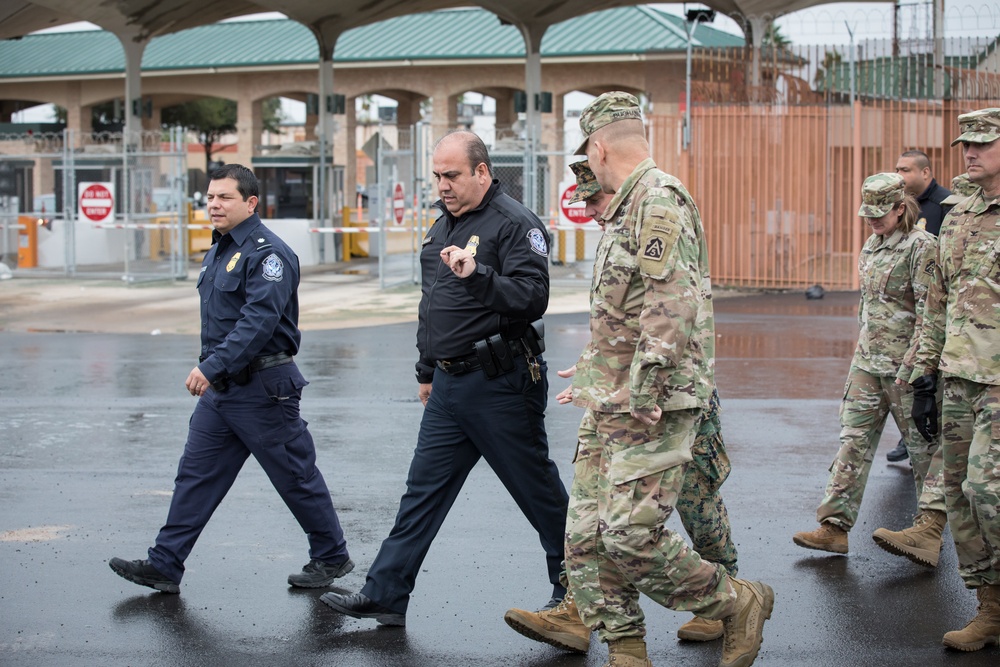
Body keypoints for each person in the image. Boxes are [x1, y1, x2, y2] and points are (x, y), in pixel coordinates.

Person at [499, 92, 773, 667]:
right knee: (587, 536)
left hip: (654, 400)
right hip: (615, 397)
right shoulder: (627, 208)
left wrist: (643, 390)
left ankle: (735, 600)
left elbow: (672, 305)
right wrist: (598, 371)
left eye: (588, 156)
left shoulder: (658, 200)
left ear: (599, 147)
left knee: (630, 535)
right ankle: (626, 647)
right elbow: (628, 311)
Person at [319, 131, 569, 626]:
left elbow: (532, 298)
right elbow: (432, 305)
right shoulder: (441, 227)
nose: (443, 185)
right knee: (422, 491)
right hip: (450, 386)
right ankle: (386, 592)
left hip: (500, 383)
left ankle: (578, 590)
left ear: (482, 172)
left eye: (451, 175)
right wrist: (427, 368)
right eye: (437, 176)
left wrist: (477, 274)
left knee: (537, 492)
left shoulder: (515, 224)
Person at [109, 164, 352, 593]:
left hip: (263, 387)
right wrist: (216, 368)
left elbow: (258, 321)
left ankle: (331, 556)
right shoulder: (221, 249)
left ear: (251, 202)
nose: (214, 205)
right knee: (196, 475)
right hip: (224, 390)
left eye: (224, 197)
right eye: (209, 198)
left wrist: (210, 366)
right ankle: (165, 564)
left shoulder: (268, 254)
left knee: (294, 476)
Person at [792, 173, 946, 566]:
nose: (873, 221)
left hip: (906, 368)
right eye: (868, 214)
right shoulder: (872, 245)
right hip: (867, 363)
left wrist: (920, 368)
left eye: (881, 213)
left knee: (924, 449)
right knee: (852, 441)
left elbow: (931, 314)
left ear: (900, 207)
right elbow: (870, 309)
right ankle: (834, 528)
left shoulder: (921, 247)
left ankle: (929, 531)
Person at [910, 108, 1000, 652]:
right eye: (966, 144)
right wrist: (925, 376)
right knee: (959, 499)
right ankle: (989, 607)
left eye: (983, 144)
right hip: (959, 376)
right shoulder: (959, 212)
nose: (969, 153)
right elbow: (937, 300)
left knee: (987, 491)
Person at [885, 150, 952, 463]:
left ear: (926, 173)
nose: (899, 174)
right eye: (897, 169)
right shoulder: (899, 207)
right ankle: (907, 438)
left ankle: (933, 439)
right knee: (907, 376)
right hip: (907, 307)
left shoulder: (945, 205)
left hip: (937, 305)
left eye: (906, 169)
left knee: (929, 378)